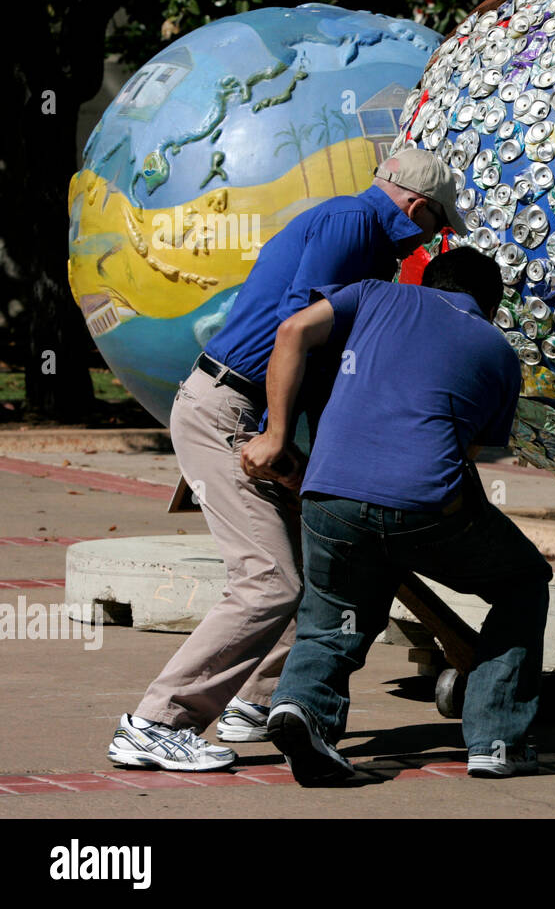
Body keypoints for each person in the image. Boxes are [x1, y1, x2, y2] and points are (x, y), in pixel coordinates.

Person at [108, 149, 466, 772]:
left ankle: (257, 701)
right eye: (438, 225)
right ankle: (157, 721)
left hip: (246, 408)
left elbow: (325, 362)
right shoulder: (352, 222)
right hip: (228, 408)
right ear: (416, 206)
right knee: (270, 580)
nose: (433, 241)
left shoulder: (373, 245)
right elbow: (293, 327)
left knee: (312, 567)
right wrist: (275, 433)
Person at [240, 247, 552, 785]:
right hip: (426, 507)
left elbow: (291, 332)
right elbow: (467, 455)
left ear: (424, 280)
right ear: (491, 305)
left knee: (334, 611)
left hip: (330, 494)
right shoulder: (499, 349)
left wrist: (276, 436)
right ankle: (497, 740)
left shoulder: (372, 293)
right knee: (524, 581)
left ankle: (301, 708)